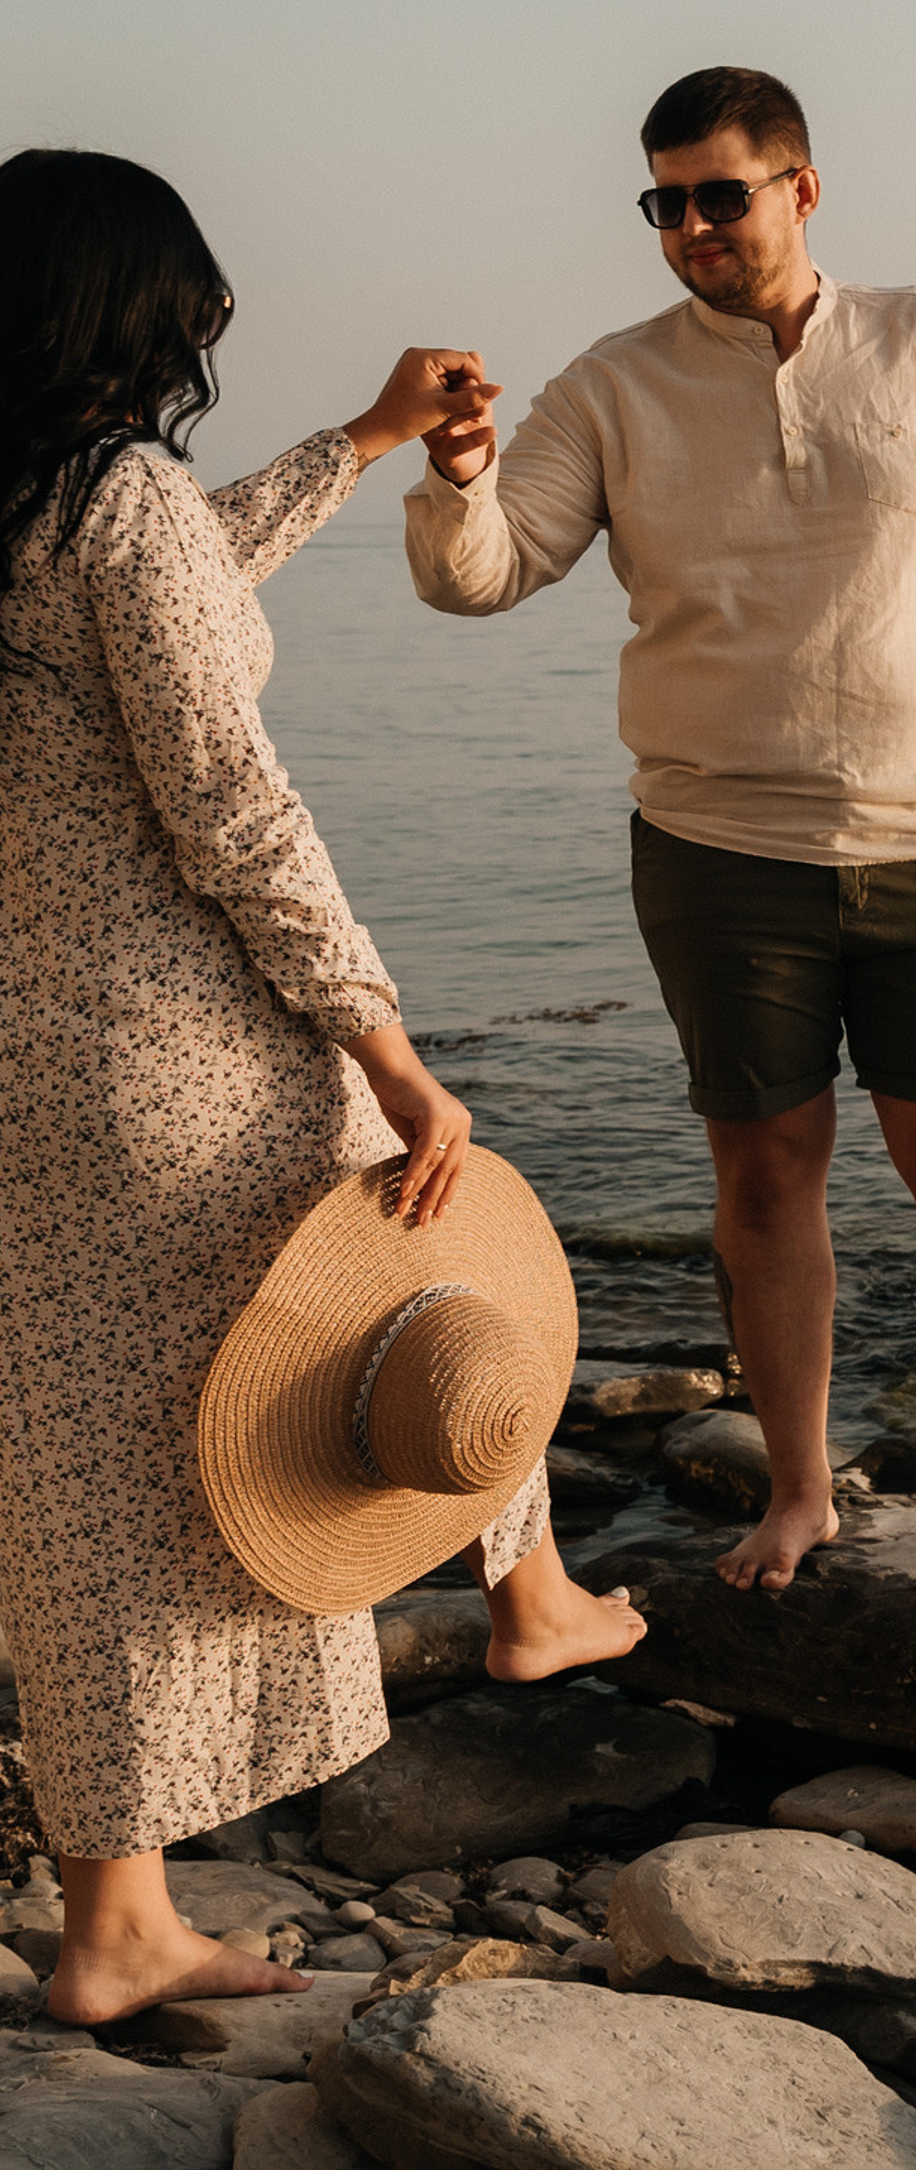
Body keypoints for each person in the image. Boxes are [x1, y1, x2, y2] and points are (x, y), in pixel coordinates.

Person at [0, 148, 643, 2024]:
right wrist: (389, 1043)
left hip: (33, 1061)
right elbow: (228, 802)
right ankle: (527, 1602)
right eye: (189, 309)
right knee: (444, 1259)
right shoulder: (110, 501)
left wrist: (360, 444)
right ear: (125, 306)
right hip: (187, 1038)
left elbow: (184, 566)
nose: (201, 335)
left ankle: (113, 1920)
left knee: (88, 1469)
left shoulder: (34, 506)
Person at [406, 67, 916, 1596]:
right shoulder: (611, 385)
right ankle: (798, 1491)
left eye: (717, 196)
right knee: (765, 1174)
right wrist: (456, 478)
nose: (688, 229)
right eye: (663, 203)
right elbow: (486, 573)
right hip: (716, 844)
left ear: (802, 188)